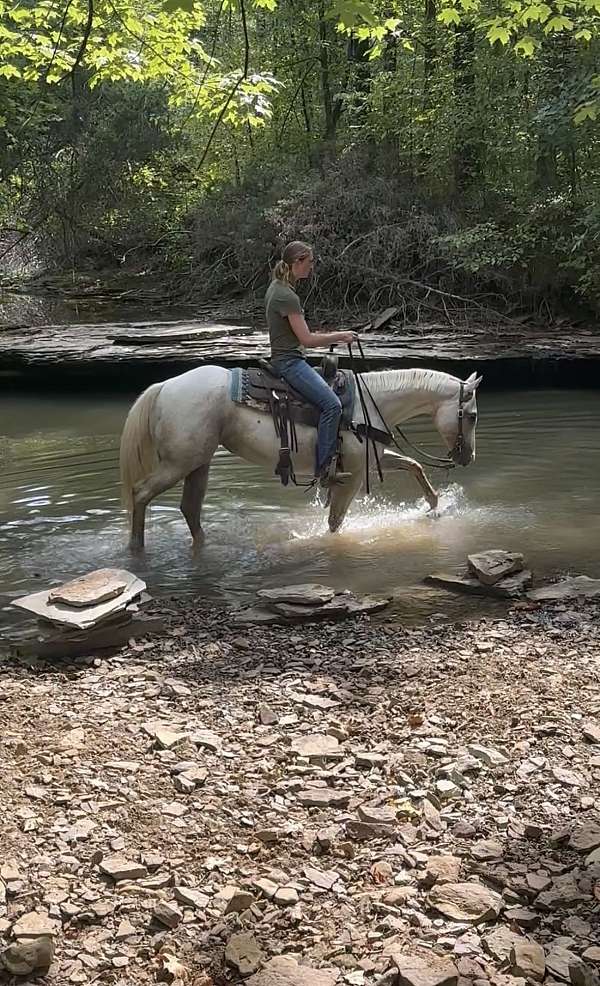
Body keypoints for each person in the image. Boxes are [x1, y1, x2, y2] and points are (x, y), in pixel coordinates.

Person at [265, 241, 358, 485]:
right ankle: (325, 468)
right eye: (309, 262)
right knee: (332, 405)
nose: (312, 267)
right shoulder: (287, 295)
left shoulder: (276, 287)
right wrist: (341, 335)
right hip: (290, 362)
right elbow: (306, 339)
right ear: (297, 262)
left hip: (286, 358)